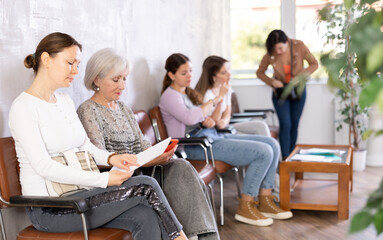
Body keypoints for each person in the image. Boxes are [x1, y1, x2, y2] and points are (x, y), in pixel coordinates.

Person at [8, 32, 187, 240]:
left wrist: (112, 158)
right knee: (145, 185)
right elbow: (43, 167)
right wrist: (104, 179)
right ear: (46, 59)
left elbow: (85, 145)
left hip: (82, 196)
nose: (75, 70)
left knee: (145, 215)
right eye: (70, 63)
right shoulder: (23, 108)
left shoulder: (64, 100)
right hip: (51, 209)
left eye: (77, 64)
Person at [77, 48, 219, 240]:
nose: (122, 86)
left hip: (143, 170)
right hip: (119, 180)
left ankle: (205, 237)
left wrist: (159, 153)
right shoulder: (88, 110)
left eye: (124, 79)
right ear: (96, 80)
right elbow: (100, 158)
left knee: (181, 166)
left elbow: (141, 143)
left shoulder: (123, 108)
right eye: (116, 80)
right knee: (183, 173)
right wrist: (145, 161)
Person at [159, 53, 293, 227]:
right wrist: (212, 103)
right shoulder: (170, 96)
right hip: (195, 146)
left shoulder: (186, 93)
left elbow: (197, 117)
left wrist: (205, 118)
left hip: (210, 136)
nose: (190, 76)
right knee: (263, 152)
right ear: (171, 75)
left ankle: (266, 199)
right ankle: (246, 205)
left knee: (273, 144)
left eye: (190, 71)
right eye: (184, 73)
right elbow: (189, 118)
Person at [256, 29, 318, 159]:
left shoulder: (299, 46)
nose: (278, 52)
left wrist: (301, 77)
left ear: (286, 42)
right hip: (280, 93)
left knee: (294, 124)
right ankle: (285, 159)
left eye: (280, 48)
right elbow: (260, 72)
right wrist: (272, 82)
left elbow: (314, 64)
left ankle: (292, 156)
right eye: (275, 49)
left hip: (298, 91)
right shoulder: (271, 53)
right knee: (285, 124)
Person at [195, 55, 271, 136]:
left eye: (228, 69)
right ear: (213, 77)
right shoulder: (207, 94)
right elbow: (214, 121)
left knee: (261, 126)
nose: (229, 74)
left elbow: (227, 112)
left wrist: (224, 121)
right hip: (216, 132)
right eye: (224, 73)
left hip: (226, 126)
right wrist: (221, 96)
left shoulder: (225, 87)